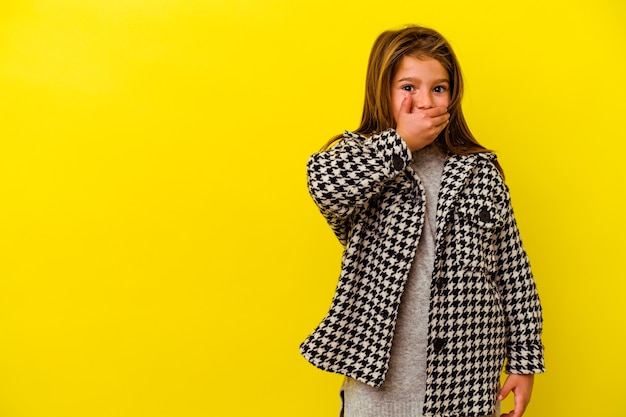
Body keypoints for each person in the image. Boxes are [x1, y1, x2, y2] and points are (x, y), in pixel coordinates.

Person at [300, 25, 545, 417]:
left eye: (438, 88)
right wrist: (400, 143)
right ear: (383, 91)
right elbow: (326, 186)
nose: (424, 100)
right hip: (378, 391)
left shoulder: (480, 172)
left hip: (466, 383)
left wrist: (524, 359)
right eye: (408, 87)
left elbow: (513, 270)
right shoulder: (361, 160)